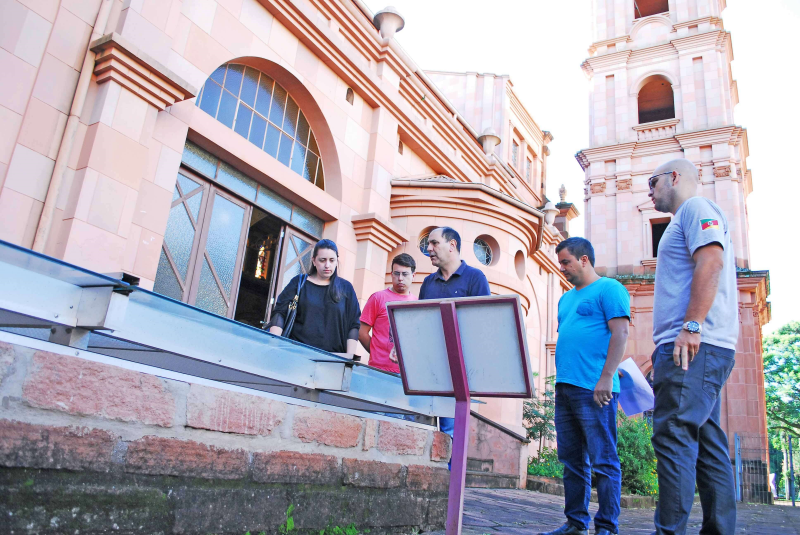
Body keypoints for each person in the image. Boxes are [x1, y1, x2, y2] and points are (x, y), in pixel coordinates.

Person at [647, 158, 738, 535]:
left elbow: (711, 261)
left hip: (693, 346)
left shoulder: (696, 208)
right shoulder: (684, 218)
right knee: (707, 442)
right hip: (701, 347)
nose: (650, 193)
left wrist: (691, 326)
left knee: (673, 436)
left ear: (674, 177)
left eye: (653, 183)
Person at [538, 237, 630, 535]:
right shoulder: (565, 299)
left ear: (584, 259)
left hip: (595, 389)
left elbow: (620, 333)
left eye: (566, 261)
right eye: (560, 262)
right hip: (565, 388)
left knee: (604, 459)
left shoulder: (609, 289)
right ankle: (576, 523)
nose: (561, 268)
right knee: (572, 461)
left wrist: (606, 377)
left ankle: (607, 527)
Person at [418, 227, 490, 439]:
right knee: (420, 427)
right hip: (427, 368)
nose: (429, 248)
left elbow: (483, 324)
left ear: (452, 245)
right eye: (428, 244)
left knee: (451, 432)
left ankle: (451, 462)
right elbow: (419, 322)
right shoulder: (428, 283)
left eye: (434, 243)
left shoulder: (475, 278)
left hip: (459, 371)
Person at [268, 239, 360, 358]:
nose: (327, 265)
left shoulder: (346, 288)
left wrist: (349, 358)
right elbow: (280, 313)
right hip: (296, 354)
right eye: (322, 260)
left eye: (332, 260)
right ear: (314, 261)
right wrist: (273, 346)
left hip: (332, 359)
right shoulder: (299, 282)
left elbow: (354, 324)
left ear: (337, 261)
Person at [359, 253, 418, 373]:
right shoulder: (378, 298)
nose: (400, 278)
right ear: (391, 274)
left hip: (407, 372)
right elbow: (361, 333)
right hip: (378, 370)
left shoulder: (417, 303)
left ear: (413, 276)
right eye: (397, 273)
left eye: (405, 274)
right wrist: (376, 353)